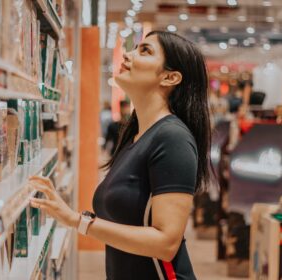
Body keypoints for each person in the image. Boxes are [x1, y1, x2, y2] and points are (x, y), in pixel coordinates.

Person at [29, 31, 211, 279]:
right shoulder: (135, 135)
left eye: (145, 50)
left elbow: (166, 244)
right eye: (135, 48)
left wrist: (77, 221)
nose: (128, 54)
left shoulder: (172, 139)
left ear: (170, 77)